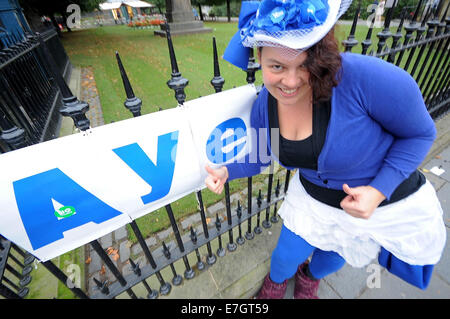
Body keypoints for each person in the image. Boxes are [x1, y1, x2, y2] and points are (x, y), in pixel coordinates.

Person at [204, 0, 446, 299]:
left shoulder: (363, 78)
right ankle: (275, 285)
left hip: (376, 201)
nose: (290, 82)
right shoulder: (263, 106)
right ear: (259, 57)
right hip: (313, 201)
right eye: (276, 66)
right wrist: (227, 170)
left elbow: (420, 134)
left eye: (304, 64)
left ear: (319, 53)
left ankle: (309, 279)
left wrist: (379, 190)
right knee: (284, 257)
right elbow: (260, 157)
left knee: (334, 256)